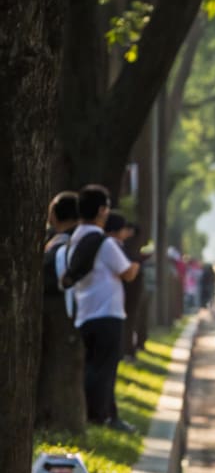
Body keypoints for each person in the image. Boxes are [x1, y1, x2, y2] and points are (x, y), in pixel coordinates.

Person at [66, 185, 140, 431]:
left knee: (93, 365)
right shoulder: (105, 243)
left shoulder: (75, 238)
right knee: (104, 369)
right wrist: (135, 266)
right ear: (101, 210)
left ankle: (103, 414)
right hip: (107, 312)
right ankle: (100, 416)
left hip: (85, 311)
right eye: (107, 208)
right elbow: (127, 273)